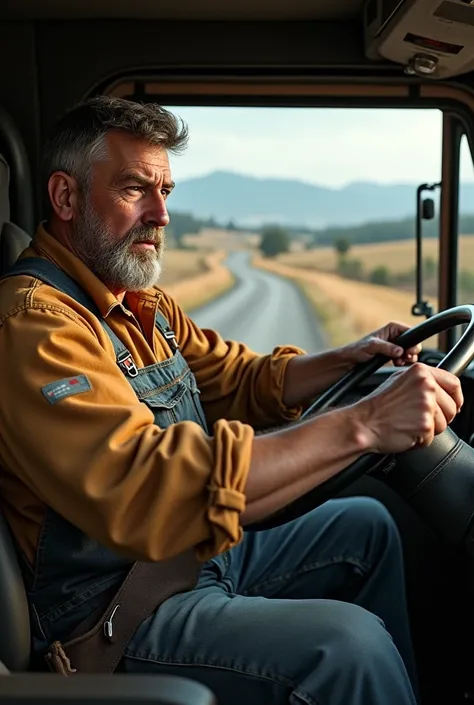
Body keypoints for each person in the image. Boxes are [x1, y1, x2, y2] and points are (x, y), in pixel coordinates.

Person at [0, 96, 463, 705]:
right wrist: (365, 423)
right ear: (65, 198)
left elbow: (238, 378)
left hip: (188, 560)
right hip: (112, 615)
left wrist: (347, 358)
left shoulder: (140, 303)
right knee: (348, 646)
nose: (161, 214)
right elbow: (143, 487)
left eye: (166, 190)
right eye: (136, 188)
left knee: (367, 529)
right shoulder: (35, 325)